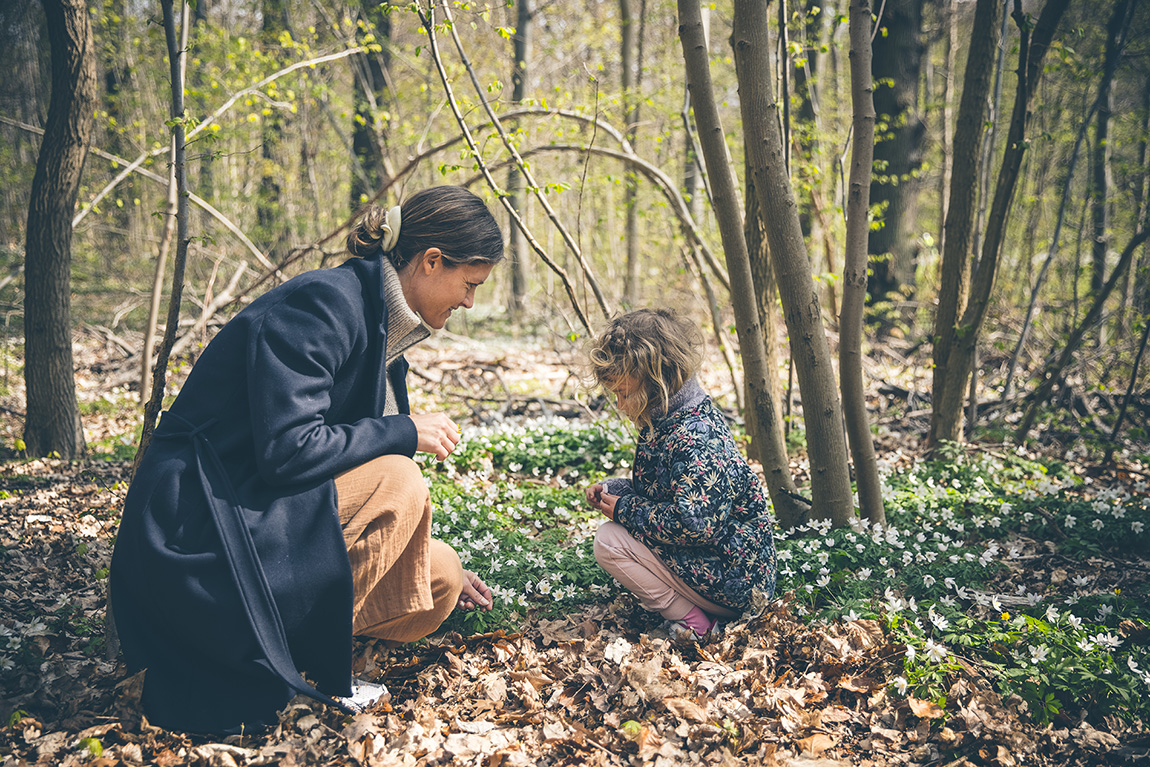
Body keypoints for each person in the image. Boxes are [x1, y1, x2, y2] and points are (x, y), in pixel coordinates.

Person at [111, 186, 501, 734]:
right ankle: (281, 664)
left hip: (261, 508)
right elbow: (289, 453)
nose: (468, 302)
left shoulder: (382, 327)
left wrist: (418, 545)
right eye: (469, 285)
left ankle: (300, 644)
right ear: (432, 261)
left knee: (438, 577)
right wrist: (403, 431)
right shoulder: (321, 304)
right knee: (398, 480)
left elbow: (332, 457)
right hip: (198, 521)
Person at [584, 309, 777, 639]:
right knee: (615, 531)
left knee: (609, 541)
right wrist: (613, 488)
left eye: (624, 394)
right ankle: (695, 614)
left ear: (657, 381)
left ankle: (697, 626)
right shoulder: (667, 419)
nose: (619, 404)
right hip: (722, 565)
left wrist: (624, 509)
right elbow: (665, 492)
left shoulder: (695, 437)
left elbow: (694, 525)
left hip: (738, 581)